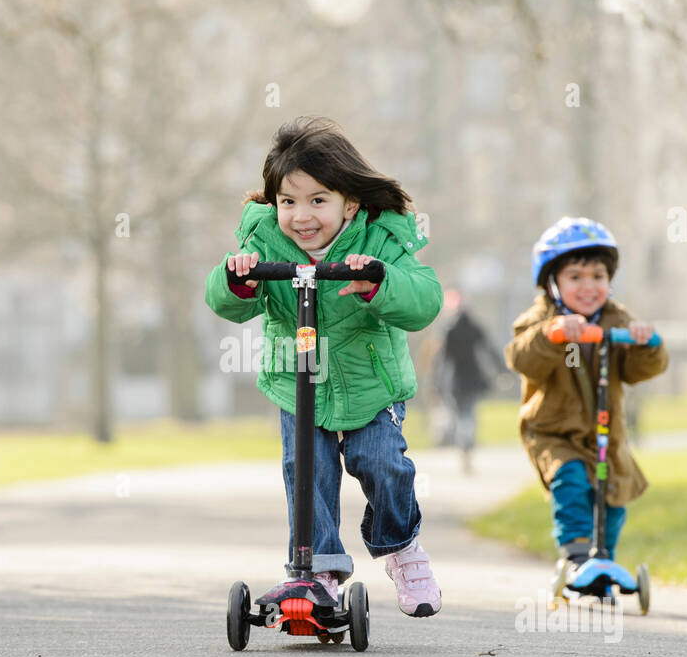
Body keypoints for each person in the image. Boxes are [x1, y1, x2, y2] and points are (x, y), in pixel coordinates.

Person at [204, 116, 444, 617]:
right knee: (307, 470)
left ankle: (400, 547)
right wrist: (238, 281)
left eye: (318, 201)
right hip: (298, 381)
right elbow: (228, 302)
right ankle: (318, 571)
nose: (301, 216)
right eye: (288, 202)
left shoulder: (379, 240)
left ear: (349, 203)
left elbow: (424, 300)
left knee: (380, 463)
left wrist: (382, 283)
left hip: (369, 384)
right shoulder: (264, 241)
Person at [505, 217, 668, 593]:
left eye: (597, 276)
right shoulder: (540, 319)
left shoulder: (617, 317)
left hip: (605, 435)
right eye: (575, 277)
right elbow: (521, 357)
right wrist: (553, 334)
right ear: (552, 282)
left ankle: (602, 561)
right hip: (553, 432)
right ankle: (577, 557)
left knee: (613, 496)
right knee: (572, 480)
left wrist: (647, 344)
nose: (588, 286)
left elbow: (637, 370)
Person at [438, 293, 506, 472]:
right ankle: (466, 444)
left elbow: (442, 359)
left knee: (460, 415)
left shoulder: (449, 330)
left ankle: (463, 444)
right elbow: (490, 349)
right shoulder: (474, 327)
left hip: (454, 381)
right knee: (468, 415)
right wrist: (502, 370)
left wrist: (437, 383)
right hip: (472, 379)